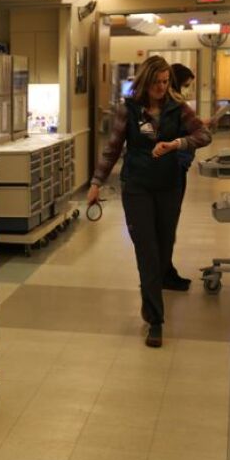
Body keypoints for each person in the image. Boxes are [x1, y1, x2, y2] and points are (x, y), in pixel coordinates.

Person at [87, 56, 211, 348]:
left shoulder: (178, 108)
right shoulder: (128, 109)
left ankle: (150, 300)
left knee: (164, 249)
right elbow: (112, 148)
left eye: (166, 82)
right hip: (137, 187)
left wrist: (177, 144)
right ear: (146, 81)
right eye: (156, 82)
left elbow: (204, 134)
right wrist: (96, 182)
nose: (161, 87)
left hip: (169, 186)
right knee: (147, 252)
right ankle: (156, 320)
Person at [164, 63, 199, 290]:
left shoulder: (177, 105)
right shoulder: (172, 104)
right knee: (167, 224)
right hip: (173, 168)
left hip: (176, 166)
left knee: (168, 223)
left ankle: (165, 270)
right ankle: (163, 272)